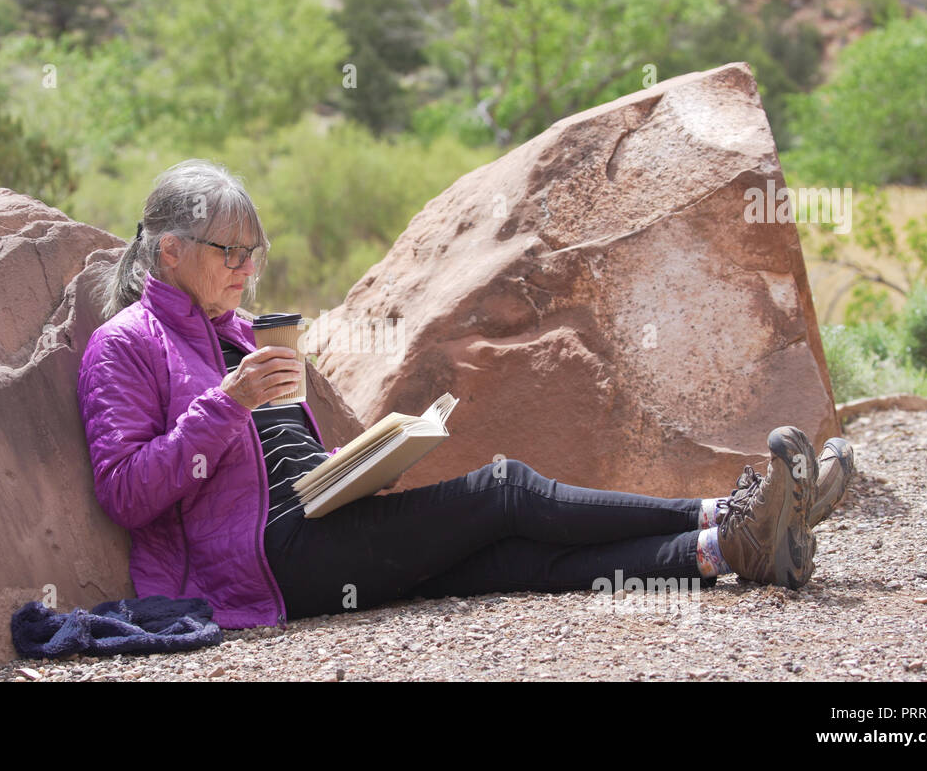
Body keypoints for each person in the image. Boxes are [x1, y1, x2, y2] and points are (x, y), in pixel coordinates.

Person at [76, 159, 858, 629]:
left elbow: (282, 459)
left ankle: (733, 551)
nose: (247, 269)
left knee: (514, 556)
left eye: (255, 252)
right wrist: (230, 402)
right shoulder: (126, 345)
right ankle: (732, 512)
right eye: (230, 252)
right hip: (267, 564)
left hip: (319, 524)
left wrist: (353, 462)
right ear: (170, 251)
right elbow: (125, 492)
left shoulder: (243, 331)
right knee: (507, 490)